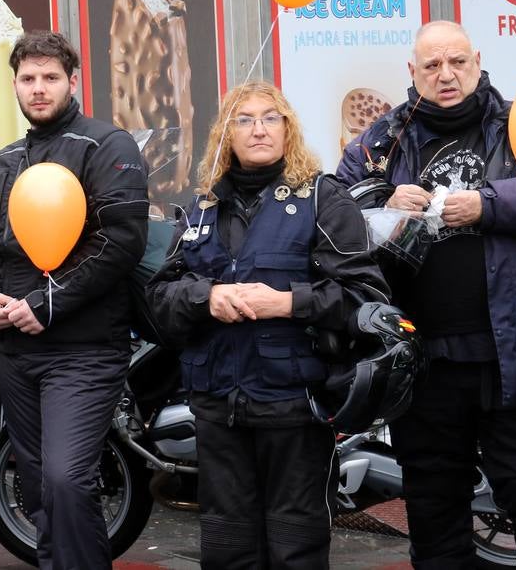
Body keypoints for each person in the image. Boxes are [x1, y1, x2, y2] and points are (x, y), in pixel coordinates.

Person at [337, 20, 516, 569]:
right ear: (413, 72)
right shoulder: (381, 142)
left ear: (478, 60)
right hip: (424, 365)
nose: (446, 75)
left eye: (457, 62)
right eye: (432, 66)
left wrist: (488, 204)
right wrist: (385, 200)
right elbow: (337, 216)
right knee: (434, 524)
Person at [146, 81, 388, 569]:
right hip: (217, 410)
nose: (258, 129)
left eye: (270, 118)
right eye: (244, 119)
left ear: (288, 129)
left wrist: (287, 303)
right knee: (227, 549)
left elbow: (367, 300)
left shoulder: (324, 198)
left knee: (295, 547)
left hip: (295, 411)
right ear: (226, 135)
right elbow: (158, 300)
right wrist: (206, 296)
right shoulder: (202, 207)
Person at [0, 30, 149, 570]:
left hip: (85, 350)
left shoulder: (109, 146)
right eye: (28, 79)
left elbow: (121, 241)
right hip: (13, 349)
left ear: (73, 81)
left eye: (50, 78)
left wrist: (47, 302)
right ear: (14, 84)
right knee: (37, 484)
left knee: (66, 478)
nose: (38, 89)